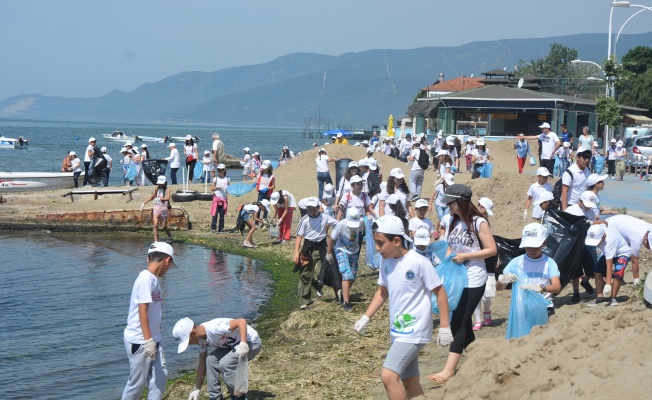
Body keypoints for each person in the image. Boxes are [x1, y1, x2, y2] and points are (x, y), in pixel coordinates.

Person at [353, 216, 452, 399]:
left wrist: (444, 327)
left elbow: (440, 292)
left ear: (397, 241)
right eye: (376, 242)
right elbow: (383, 291)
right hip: (398, 330)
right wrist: (366, 317)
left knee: (389, 376)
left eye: (380, 243)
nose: (377, 248)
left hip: (415, 330)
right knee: (410, 380)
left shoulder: (419, 262)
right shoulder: (386, 261)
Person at [427, 184, 497, 384]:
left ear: (461, 202)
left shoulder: (479, 222)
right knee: (464, 322)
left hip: (475, 277)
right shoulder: (451, 221)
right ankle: (480, 361)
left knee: (458, 321)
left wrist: (467, 256)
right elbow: (450, 247)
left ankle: (449, 370)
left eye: (451, 202)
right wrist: (447, 264)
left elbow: (491, 250)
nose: (448, 205)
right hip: (458, 278)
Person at [121, 242, 177, 400]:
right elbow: (142, 310)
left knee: (161, 376)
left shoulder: (153, 279)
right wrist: (147, 341)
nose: (167, 271)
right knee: (137, 383)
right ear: (167, 260)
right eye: (169, 266)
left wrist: (154, 337)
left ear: (148, 258)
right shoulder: (145, 279)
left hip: (155, 338)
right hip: (140, 340)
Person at [172, 316, 262, 400]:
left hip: (251, 342)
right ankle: (215, 397)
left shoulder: (215, 328)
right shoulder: (201, 339)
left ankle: (239, 396)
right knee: (210, 360)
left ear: (193, 333)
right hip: (231, 345)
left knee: (225, 363)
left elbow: (241, 321)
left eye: (187, 341)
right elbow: (202, 364)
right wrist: (197, 388)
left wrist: (243, 343)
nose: (188, 344)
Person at [496, 223, 561, 316]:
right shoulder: (516, 262)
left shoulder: (549, 263)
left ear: (544, 243)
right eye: (528, 247)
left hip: (545, 308)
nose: (531, 250)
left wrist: (540, 288)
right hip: (522, 309)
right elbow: (499, 288)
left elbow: (557, 287)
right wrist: (502, 280)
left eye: (535, 247)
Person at [294, 196, 339, 303]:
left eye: (314, 210)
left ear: (319, 208)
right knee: (305, 274)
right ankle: (305, 301)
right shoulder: (304, 220)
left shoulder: (325, 217)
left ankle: (338, 294)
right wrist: (296, 252)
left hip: (323, 247)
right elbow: (299, 236)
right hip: (308, 249)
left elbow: (338, 224)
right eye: (310, 210)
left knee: (331, 270)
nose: (312, 212)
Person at [585, 224, 631, 307]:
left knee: (618, 273)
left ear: (604, 236)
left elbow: (609, 266)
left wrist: (608, 285)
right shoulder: (597, 229)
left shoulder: (609, 242)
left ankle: (613, 297)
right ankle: (600, 298)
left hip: (621, 253)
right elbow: (603, 223)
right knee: (597, 271)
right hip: (608, 254)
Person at [328, 207, 363, 312]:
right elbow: (331, 239)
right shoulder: (341, 224)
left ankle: (343, 292)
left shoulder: (361, 222)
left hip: (353, 249)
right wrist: (329, 253)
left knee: (353, 275)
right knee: (347, 274)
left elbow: (359, 235)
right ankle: (346, 302)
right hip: (341, 249)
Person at [600, 215, 652, 286]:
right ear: (645, 238)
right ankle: (607, 278)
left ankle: (619, 277)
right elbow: (634, 261)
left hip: (622, 223)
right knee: (612, 253)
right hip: (612, 225)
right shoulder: (637, 239)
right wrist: (637, 279)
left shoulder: (650, 228)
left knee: (626, 252)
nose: (648, 248)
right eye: (648, 246)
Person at [472, 196, 496, 329]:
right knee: (476, 292)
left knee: (488, 293)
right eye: (485, 210)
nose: (485, 213)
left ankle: (487, 311)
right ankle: (478, 320)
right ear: (480, 206)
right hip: (474, 258)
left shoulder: (484, 222)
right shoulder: (469, 220)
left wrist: (496, 256)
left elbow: (490, 241)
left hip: (487, 258)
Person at [141, 176, 173, 243]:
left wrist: (160, 199)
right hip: (156, 208)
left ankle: (170, 236)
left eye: (162, 183)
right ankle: (156, 241)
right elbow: (152, 197)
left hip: (164, 208)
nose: (160, 185)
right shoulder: (156, 189)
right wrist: (143, 203)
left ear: (165, 183)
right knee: (155, 224)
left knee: (163, 226)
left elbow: (167, 198)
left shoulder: (168, 189)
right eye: (159, 183)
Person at [561, 147, 592, 211]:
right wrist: (565, 210)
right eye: (584, 158)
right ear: (577, 158)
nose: (587, 160)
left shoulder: (587, 170)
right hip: (571, 205)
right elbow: (564, 191)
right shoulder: (570, 172)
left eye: (588, 158)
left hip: (582, 205)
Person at [210, 164, 230, 233]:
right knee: (214, 214)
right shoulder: (215, 179)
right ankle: (213, 228)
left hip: (224, 199)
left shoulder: (227, 179)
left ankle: (221, 228)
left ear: (224, 171)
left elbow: (229, 189)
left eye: (221, 170)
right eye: (218, 170)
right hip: (217, 198)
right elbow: (211, 188)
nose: (219, 172)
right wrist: (217, 187)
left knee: (222, 215)